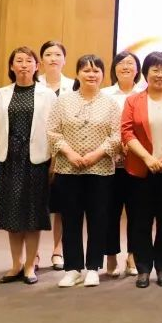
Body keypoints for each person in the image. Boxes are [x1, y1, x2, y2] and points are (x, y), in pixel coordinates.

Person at [47, 54, 122, 288]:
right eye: (86, 70)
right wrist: (70, 154)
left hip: (100, 171)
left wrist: (95, 155)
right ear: (78, 74)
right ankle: (73, 269)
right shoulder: (63, 102)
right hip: (68, 169)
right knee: (71, 219)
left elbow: (116, 136)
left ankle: (93, 268)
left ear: (103, 74)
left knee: (98, 219)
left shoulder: (110, 103)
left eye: (96, 70)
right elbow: (53, 132)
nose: (91, 74)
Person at [0, 46, 57, 285]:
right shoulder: (1, 94)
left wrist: (54, 160)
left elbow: (54, 129)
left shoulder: (47, 94)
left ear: (37, 66)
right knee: (12, 214)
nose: (24, 65)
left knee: (33, 214)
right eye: (19, 61)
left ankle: (29, 266)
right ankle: (16, 263)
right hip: (8, 159)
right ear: (11, 66)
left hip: (36, 160)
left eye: (29, 61)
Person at [121, 51, 162, 288]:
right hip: (140, 169)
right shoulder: (133, 101)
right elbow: (126, 132)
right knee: (141, 221)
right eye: (155, 70)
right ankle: (143, 268)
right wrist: (147, 158)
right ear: (145, 73)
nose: (160, 75)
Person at [102, 50, 143, 278]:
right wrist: (116, 145)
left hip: (137, 162)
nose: (126, 66)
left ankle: (133, 255)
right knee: (110, 212)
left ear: (138, 69)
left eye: (130, 63)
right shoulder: (105, 94)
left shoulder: (144, 94)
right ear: (114, 68)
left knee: (137, 212)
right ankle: (110, 255)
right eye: (121, 63)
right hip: (109, 163)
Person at [38, 40, 73, 271]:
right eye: (48, 54)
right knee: (35, 204)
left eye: (58, 54)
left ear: (64, 60)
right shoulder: (33, 83)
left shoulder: (73, 85)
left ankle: (58, 250)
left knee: (61, 205)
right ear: (41, 60)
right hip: (37, 152)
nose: (53, 58)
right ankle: (34, 253)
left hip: (64, 152)